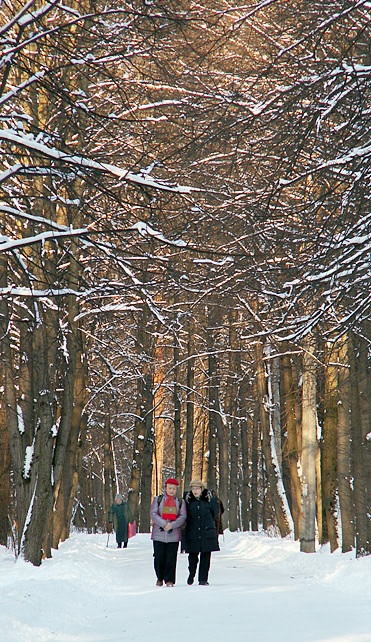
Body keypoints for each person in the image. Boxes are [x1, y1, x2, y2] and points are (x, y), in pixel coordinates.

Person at [150, 478, 186, 587]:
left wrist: (172, 525)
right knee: (159, 557)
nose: (171, 490)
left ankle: (169, 579)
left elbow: (183, 516)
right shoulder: (158, 500)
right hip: (159, 534)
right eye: (170, 488)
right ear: (165, 488)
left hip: (173, 534)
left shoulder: (180, 502)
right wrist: (164, 524)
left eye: (174, 489)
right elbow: (153, 513)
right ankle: (160, 578)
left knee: (171, 558)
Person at [183, 479, 219, 586]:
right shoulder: (187, 500)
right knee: (192, 557)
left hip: (206, 532)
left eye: (197, 488)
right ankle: (191, 574)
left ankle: (203, 579)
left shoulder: (209, 499)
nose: (195, 491)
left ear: (201, 489)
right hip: (192, 532)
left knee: (206, 556)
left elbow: (214, 513)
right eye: (193, 488)